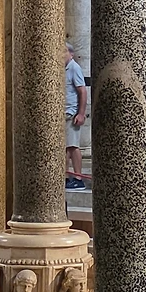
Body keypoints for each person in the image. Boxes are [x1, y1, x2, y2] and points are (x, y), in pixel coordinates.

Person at [65, 44, 88, 190]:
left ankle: (78, 178)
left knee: (73, 146)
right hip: (63, 114)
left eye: (64, 51)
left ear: (71, 54)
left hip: (71, 113)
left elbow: (82, 91)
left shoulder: (74, 68)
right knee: (65, 148)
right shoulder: (62, 69)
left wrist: (81, 113)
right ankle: (66, 177)